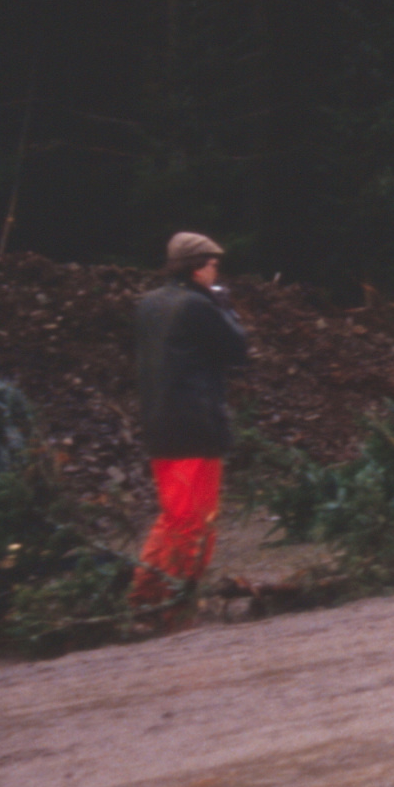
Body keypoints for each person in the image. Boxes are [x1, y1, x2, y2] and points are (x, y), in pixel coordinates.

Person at [131, 231, 250, 618]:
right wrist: (225, 308)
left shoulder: (149, 304)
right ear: (198, 268)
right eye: (214, 264)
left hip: (157, 424)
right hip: (195, 425)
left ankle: (144, 595)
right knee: (196, 522)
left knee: (174, 517)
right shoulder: (196, 306)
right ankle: (175, 602)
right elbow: (238, 350)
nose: (217, 271)